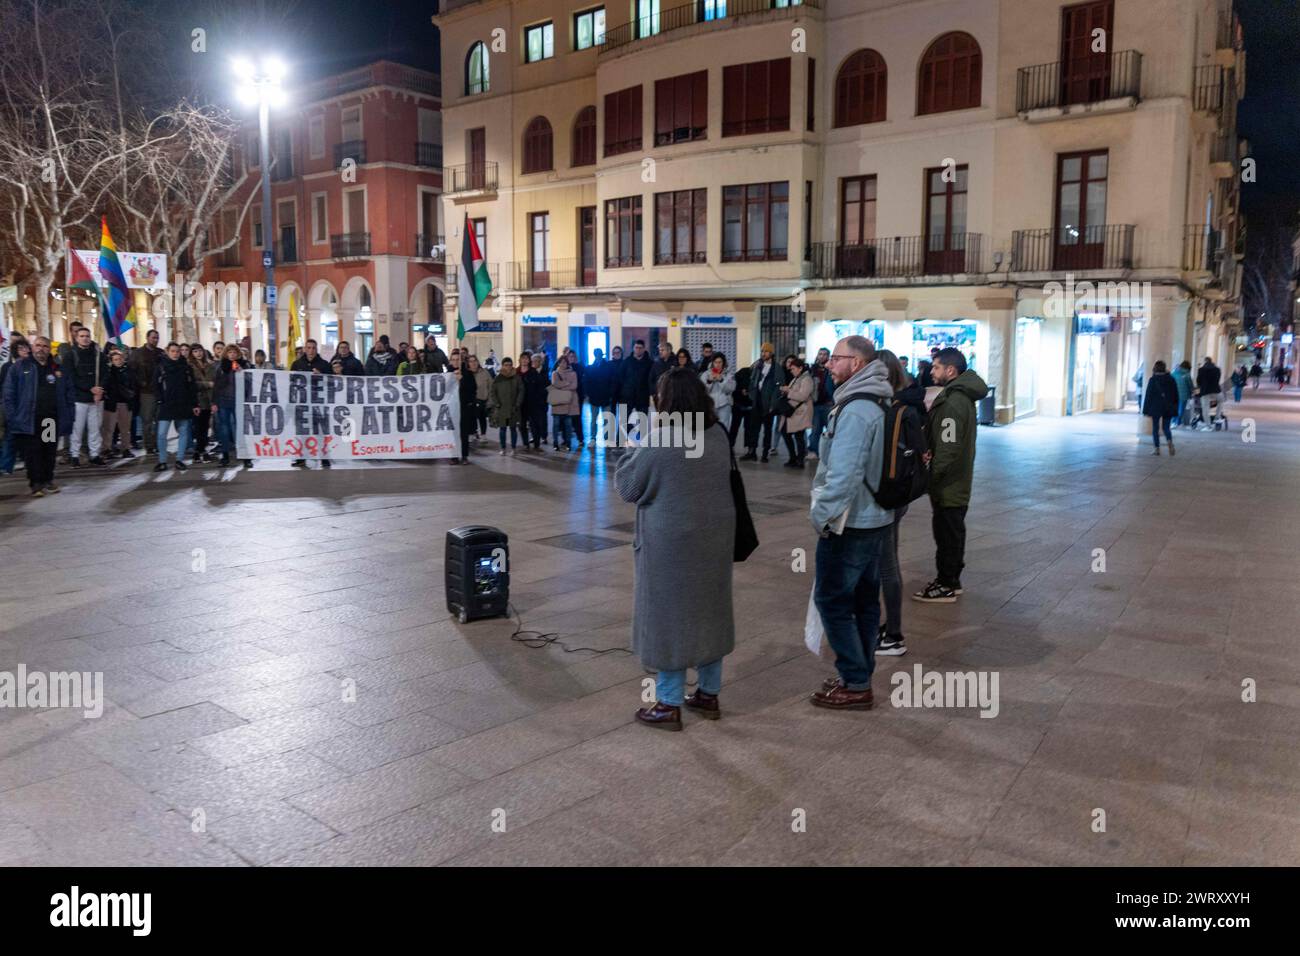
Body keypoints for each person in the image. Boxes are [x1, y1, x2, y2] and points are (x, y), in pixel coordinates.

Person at [617, 367, 735, 731]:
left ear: (665, 401)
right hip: (714, 539)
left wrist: (630, 452)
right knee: (709, 612)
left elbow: (630, 489)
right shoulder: (717, 433)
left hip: (672, 545)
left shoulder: (662, 438)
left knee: (669, 616)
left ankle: (668, 703)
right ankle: (708, 692)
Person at [808, 336, 894, 710]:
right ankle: (857, 675)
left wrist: (821, 515)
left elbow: (843, 473)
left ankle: (856, 681)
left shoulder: (857, 409)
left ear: (856, 364)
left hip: (851, 521)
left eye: (836, 358)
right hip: (873, 518)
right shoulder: (874, 398)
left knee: (833, 599)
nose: (828, 363)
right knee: (863, 601)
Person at [914, 347, 988, 603]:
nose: (931, 371)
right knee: (951, 533)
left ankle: (946, 583)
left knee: (948, 535)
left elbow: (948, 448)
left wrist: (929, 478)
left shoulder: (953, 401)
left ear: (950, 370)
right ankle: (950, 580)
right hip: (954, 481)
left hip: (950, 484)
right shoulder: (959, 396)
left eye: (935, 367)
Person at [874, 350, 926, 657]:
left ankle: (893, 633)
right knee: (887, 560)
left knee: (885, 565)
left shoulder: (884, 408)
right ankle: (888, 628)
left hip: (884, 495)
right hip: (901, 493)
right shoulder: (907, 404)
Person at [2, 336, 74, 496]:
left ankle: (48, 480)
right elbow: (9, 393)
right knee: (32, 453)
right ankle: (36, 484)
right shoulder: (20, 367)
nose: (41, 349)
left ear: (49, 349)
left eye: (45, 346)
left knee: (48, 451)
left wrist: (69, 414)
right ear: (32, 348)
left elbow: (68, 393)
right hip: (29, 419)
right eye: (38, 345)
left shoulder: (57, 369)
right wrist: (13, 416)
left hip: (50, 420)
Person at [63, 326, 109, 466]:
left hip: (96, 399)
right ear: (76, 338)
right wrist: (90, 389)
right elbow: (70, 377)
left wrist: (100, 389)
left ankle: (95, 454)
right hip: (79, 399)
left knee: (95, 428)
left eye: (87, 336)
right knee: (77, 429)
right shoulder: (70, 355)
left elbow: (105, 373)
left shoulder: (98, 355)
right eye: (82, 336)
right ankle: (75, 455)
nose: (85, 338)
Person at [154, 342, 199, 473]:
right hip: (166, 404)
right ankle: (162, 461)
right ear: (167, 352)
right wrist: (159, 400)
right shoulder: (161, 367)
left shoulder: (185, 367)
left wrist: (195, 404)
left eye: (177, 351)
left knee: (183, 432)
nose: (175, 354)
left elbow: (192, 387)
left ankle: (179, 459)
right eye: (172, 351)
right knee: (161, 433)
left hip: (183, 404)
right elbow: (155, 385)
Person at [291, 339, 332, 468]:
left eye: (313, 348)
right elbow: (291, 382)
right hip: (302, 403)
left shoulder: (324, 364)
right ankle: (301, 457)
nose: (311, 350)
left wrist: (321, 376)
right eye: (308, 348)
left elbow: (332, 382)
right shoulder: (297, 364)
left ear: (316, 349)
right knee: (302, 432)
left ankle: (324, 457)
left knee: (320, 432)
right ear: (304, 349)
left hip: (318, 404)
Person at [211, 344, 252, 467]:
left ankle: (245, 456)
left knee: (240, 428)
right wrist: (214, 402)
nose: (232, 354)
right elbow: (217, 386)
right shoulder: (221, 367)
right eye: (230, 352)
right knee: (224, 428)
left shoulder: (244, 365)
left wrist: (241, 372)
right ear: (226, 354)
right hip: (224, 400)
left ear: (238, 354)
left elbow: (250, 381)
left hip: (239, 400)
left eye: (234, 352)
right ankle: (225, 456)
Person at [743, 342, 781, 462]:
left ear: (771, 353)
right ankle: (752, 451)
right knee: (753, 428)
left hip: (768, 403)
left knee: (767, 430)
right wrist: (751, 393)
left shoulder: (776, 368)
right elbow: (752, 380)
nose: (763, 354)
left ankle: (765, 453)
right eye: (762, 351)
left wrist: (773, 404)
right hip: (757, 401)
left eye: (766, 351)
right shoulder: (758, 365)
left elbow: (777, 388)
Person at [0, 336, 31, 475]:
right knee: (10, 438)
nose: (24, 350)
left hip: (28, 408)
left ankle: (31, 463)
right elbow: (6, 389)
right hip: (12, 408)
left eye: (26, 347)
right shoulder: (8, 367)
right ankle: (6, 466)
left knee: (31, 439)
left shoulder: (32, 365)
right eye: (20, 348)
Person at [779, 355, 815, 468]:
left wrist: (788, 391)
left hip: (800, 412)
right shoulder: (796, 378)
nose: (791, 371)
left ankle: (799, 460)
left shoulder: (807, 379)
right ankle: (793, 457)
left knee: (799, 436)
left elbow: (803, 396)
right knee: (785, 433)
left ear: (800, 368)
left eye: (793, 368)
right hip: (792, 411)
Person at [100, 348, 136, 460]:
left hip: (125, 403)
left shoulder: (128, 371)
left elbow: (133, 385)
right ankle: (106, 449)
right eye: (115, 359)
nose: (118, 361)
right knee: (108, 428)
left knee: (125, 428)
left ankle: (125, 448)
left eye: (120, 359)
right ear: (111, 361)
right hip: (112, 403)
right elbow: (104, 385)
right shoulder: (108, 372)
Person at [1142, 360, 1180, 456]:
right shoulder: (1171, 379)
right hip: (1168, 407)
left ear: (1155, 368)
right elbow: (1176, 395)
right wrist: (1175, 406)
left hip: (1155, 408)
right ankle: (1169, 442)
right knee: (1166, 427)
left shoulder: (1153, 380)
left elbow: (1148, 396)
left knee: (1155, 428)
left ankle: (1157, 449)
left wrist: (1145, 409)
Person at [617, 340, 653, 440]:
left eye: (640, 348)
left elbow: (651, 378)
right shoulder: (626, 362)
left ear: (644, 349)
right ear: (633, 349)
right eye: (636, 348)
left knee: (643, 420)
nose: (638, 350)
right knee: (624, 420)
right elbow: (620, 377)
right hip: (627, 395)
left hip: (642, 396)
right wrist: (623, 390)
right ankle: (621, 441)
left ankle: (642, 441)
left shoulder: (649, 363)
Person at [488, 356, 524, 454]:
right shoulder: (498, 378)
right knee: (502, 429)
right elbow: (492, 392)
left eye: (510, 365)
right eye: (506, 365)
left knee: (513, 429)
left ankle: (513, 448)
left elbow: (521, 391)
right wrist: (497, 403)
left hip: (513, 407)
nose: (508, 367)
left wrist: (517, 403)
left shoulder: (517, 377)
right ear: (503, 366)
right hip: (502, 408)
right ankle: (503, 448)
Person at [188, 345, 214, 463]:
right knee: (198, 427)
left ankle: (199, 451)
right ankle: (201, 451)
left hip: (208, 400)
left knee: (205, 427)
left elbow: (214, 381)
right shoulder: (189, 366)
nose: (198, 353)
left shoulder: (209, 365)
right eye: (195, 351)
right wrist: (207, 384)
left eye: (200, 351)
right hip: (197, 400)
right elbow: (192, 384)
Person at [549, 353, 580, 451]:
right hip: (558, 403)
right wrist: (567, 383)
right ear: (558, 363)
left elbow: (574, 386)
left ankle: (568, 444)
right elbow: (555, 384)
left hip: (569, 403)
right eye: (561, 362)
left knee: (568, 425)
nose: (563, 364)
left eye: (564, 362)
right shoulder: (555, 373)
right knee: (556, 425)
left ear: (567, 363)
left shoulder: (573, 373)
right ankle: (555, 443)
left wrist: (562, 386)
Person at [808, 347, 834, 460]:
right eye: (820, 354)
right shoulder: (812, 370)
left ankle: (831, 452)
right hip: (816, 403)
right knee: (815, 430)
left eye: (824, 354)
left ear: (828, 356)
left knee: (831, 430)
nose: (822, 356)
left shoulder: (832, 369)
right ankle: (813, 451)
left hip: (829, 404)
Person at [452, 351, 477, 464]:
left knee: (463, 433)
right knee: (453, 433)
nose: (456, 361)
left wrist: (462, 380)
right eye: (454, 359)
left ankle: (464, 455)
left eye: (458, 359)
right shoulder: (447, 373)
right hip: (452, 409)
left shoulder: (468, 374)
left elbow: (473, 389)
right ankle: (454, 456)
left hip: (464, 408)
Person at [522, 352, 550, 451]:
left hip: (541, 400)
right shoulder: (529, 372)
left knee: (541, 420)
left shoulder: (544, 371)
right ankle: (535, 437)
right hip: (530, 401)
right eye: (533, 361)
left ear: (540, 362)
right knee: (533, 422)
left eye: (537, 361)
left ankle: (543, 436)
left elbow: (546, 386)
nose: (535, 363)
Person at [700, 354, 735, 430]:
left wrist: (722, 380)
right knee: (710, 428)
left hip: (724, 405)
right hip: (710, 405)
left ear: (724, 363)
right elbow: (702, 391)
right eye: (716, 362)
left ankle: (723, 441)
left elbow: (731, 389)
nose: (718, 364)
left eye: (720, 362)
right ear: (712, 363)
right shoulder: (706, 374)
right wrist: (709, 381)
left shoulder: (729, 374)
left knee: (724, 428)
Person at [466, 354, 491, 439]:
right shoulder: (467, 373)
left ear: (478, 362)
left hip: (482, 399)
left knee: (482, 418)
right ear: (468, 363)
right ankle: (473, 432)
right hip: (471, 400)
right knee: (471, 418)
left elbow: (491, 385)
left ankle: (483, 434)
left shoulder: (484, 372)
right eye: (471, 361)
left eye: (474, 361)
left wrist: (490, 399)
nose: (473, 363)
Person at [1196, 357, 1221, 431]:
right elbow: (1218, 379)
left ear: (1205, 361)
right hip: (1215, 390)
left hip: (1205, 391)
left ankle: (1208, 425)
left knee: (1205, 408)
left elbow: (1198, 381)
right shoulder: (1217, 369)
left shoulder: (1201, 370)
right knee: (1221, 401)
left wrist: (1201, 386)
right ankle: (1217, 417)